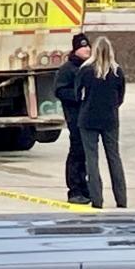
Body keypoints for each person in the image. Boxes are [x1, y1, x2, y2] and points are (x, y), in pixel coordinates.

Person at [76, 37, 127, 209]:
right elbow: (120, 97)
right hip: (110, 118)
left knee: (92, 159)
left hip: (88, 117)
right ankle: (121, 199)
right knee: (114, 157)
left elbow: (78, 94)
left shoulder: (85, 70)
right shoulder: (117, 71)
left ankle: (97, 200)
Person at [54, 33, 92, 205]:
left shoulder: (91, 67)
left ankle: (86, 188)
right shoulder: (68, 69)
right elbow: (60, 91)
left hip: (89, 117)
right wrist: (79, 96)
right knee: (77, 152)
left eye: (88, 46)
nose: (87, 49)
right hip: (75, 116)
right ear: (76, 49)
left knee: (87, 153)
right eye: (83, 46)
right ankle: (75, 189)